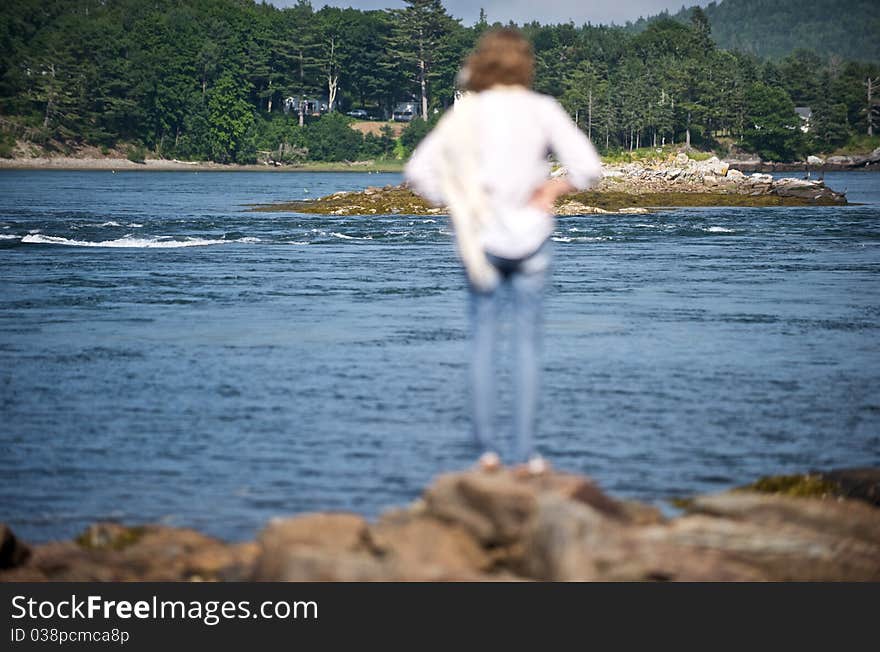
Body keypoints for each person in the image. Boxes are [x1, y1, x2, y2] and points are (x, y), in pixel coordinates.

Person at [405, 27, 603, 472]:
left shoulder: (468, 114)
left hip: (482, 240)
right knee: (528, 349)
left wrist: (459, 197)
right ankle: (528, 455)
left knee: (483, 345)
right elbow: (589, 167)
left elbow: (419, 172)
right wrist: (551, 190)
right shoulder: (542, 110)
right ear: (524, 64)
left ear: (482, 64)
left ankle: (487, 454)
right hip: (533, 238)